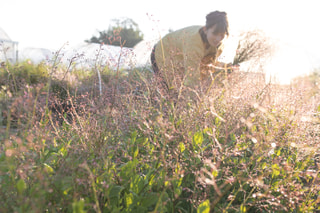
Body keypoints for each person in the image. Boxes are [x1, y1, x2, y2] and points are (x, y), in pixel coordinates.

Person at [150, 11, 238, 93]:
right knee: (173, 93)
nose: (218, 39)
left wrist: (226, 68)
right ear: (205, 29)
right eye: (215, 34)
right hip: (163, 53)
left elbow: (206, 65)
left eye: (222, 35)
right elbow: (192, 77)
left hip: (182, 60)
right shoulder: (194, 43)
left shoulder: (218, 45)